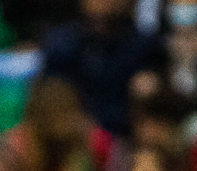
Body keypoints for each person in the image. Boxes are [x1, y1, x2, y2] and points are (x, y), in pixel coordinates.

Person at [39, 0, 160, 137]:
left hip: (125, 132)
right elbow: (50, 97)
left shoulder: (142, 45)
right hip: (72, 133)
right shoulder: (61, 43)